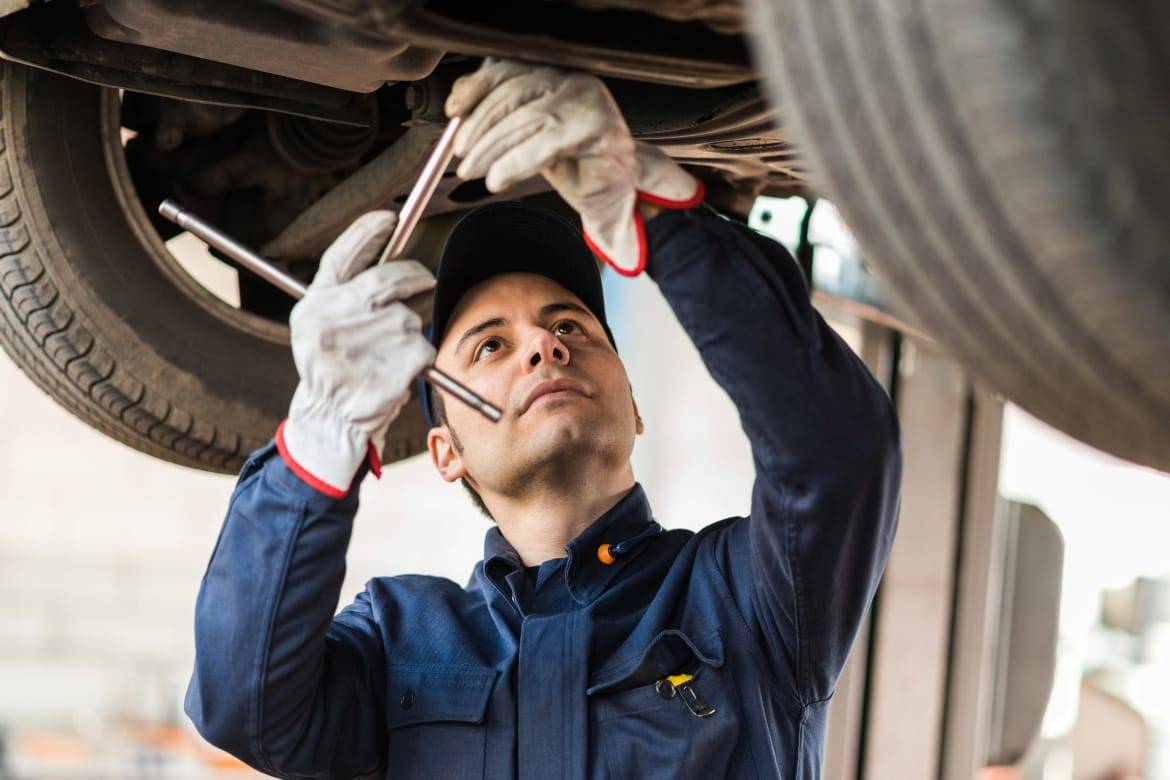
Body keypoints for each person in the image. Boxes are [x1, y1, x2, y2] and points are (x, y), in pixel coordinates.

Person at [184, 59, 902, 779]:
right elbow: (240, 709)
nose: (545, 344)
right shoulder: (399, 638)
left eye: (573, 328)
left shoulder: (744, 598)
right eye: (491, 344)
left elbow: (838, 452)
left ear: (635, 408)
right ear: (444, 451)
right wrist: (321, 433)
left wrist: (657, 216)